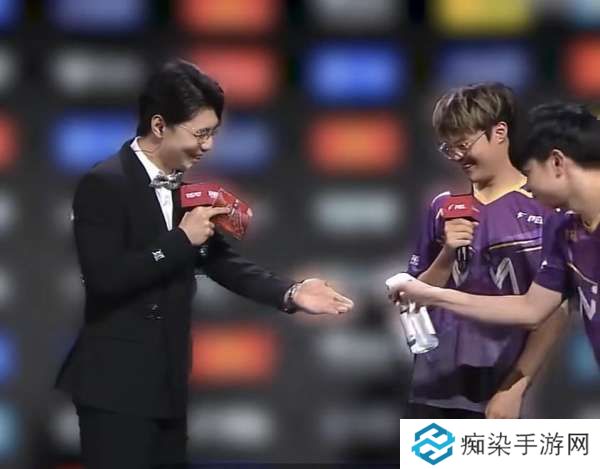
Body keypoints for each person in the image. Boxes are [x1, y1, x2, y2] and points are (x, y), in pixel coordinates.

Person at [55, 59, 354, 469]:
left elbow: (221, 262)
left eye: (213, 133)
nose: (209, 145)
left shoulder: (184, 189)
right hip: (114, 387)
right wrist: (180, 240)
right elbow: (105, 279)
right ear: (160, 126)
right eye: (201, 133)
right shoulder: (104, 183)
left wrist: (291, 292)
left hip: (168, 386)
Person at [390, 102, 600, 370]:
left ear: (557, 163)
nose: (527, 186)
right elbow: (530, 309)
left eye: (528, 173)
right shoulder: (564, 230)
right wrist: (431, 294)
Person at [401, 83, 567, 419]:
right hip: (435, 389)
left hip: (502, 388)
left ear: (499, 132)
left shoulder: (546, 209)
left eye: (463, 145)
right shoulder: (442, 206)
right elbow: (415, 300)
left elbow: (553, 312)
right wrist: (447, 253)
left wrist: (514, 388)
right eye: (448, 148)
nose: (457, 157)